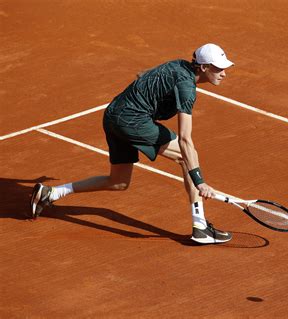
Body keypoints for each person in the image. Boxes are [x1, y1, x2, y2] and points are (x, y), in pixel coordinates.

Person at [30, 43, 234, 244]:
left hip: (112, 115)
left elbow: (143, 74)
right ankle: (200, 227)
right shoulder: (187, 88)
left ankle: (52, 193)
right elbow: (185, 139)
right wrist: (200, 182)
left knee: (118, 182)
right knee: (186, 156)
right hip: (133, 120)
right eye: (219, 68)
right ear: (204, 67)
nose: (224, 73)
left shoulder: (178, 64)